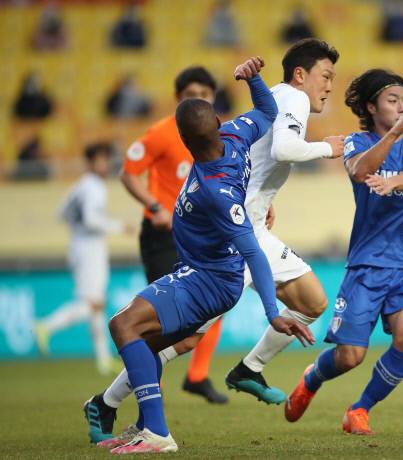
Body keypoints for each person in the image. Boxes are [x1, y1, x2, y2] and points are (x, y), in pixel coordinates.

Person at [93, 57, 314, 455]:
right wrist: (255, 79)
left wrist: (271, 311)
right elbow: (267, 110)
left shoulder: (219, 191)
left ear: (183, 138)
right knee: (146, 341)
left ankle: (157, 435)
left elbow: (253, 253)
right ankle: (142, 425)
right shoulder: (234, 135)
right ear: (216, 122)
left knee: (123, 325)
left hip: (209, 277)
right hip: (199, 270)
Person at [284, 68, 403, 435]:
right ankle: (312, 378)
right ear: (371, 107)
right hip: (367, 265)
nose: (402, 107)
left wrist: (392, 181)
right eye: (392, 101)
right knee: (350, 356)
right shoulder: (355, 142)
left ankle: (359, 410)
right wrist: (395, 133)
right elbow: (358, 171)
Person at [223, 38, 343, 404]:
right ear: (300, 74)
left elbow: (257, 154)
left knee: (311, 302)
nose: (329, 86)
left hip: (252, 225)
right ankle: (108, 400)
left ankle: (249, 369)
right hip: (235, 233)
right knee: (186, 334)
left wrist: (263, 199)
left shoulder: (275, 96)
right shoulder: (295, 98)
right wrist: (328, 148)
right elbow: (284, 149)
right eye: (325, 76)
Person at [119, 66, 229, 405]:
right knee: (162, 316)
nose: (199, 98)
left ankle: (197, 376)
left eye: (206, 93)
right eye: (192, 93)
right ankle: (151, 394)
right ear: (178, 98)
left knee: (215, 306)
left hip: (200, 235)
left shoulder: (218, 136)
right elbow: (129, 174)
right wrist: (154, 207)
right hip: (164, 235)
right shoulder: (160, 133)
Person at [35, 142, 129, 375]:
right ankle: (46, 325)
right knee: (92, 304)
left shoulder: (79, 186)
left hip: (78, 246)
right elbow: (90, 219)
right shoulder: (94, 186)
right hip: (89, 248)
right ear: (91, 162)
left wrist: (77, 227)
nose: (105, 164)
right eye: (101, 159)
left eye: (106, 159)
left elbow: (61, 213)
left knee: (96, 304)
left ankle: (104, 360)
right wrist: (118, 226)